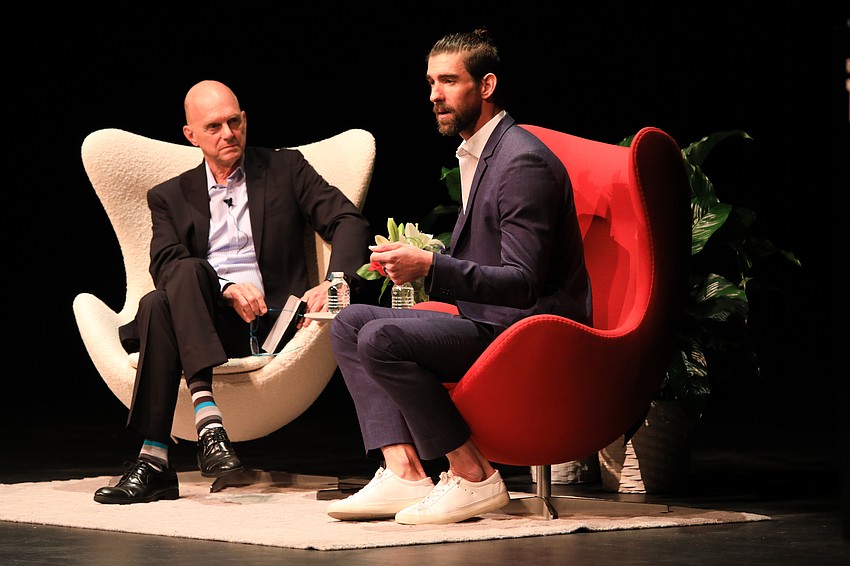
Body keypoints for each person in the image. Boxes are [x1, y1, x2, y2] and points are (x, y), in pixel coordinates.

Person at [325, 29, 592, 525]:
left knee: (383, 336)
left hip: (528, 327)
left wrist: (430, 266)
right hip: (491, 317)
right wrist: (425, 256)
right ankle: (403, 471)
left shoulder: (521, 160)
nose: (434, 95)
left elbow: (522, 282)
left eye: (448, 81)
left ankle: (473, 476)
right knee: (349, 323)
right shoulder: (481, 152)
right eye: (430, 83)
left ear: (486, 85)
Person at [93, 80, 371, 504]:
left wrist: (335, 281)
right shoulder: (168, 195)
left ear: (245, 121)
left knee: (157, 305)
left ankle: (154, 459)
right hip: (207, 324)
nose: (228, 134)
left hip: (270, 323)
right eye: (214, 127)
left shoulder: (286, 169)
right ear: (191, 136)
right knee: (174, 279)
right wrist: (224, 288)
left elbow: (348, 221)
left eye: (234, 122)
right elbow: (164, 262)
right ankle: (208, 423)